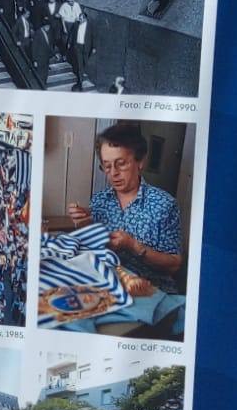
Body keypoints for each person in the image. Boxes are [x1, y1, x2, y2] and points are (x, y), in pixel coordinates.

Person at [66, 120, 186, 292]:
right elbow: (94, 252)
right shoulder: (99, 201)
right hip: (107, 284)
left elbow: (174, 265)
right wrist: (85, 227)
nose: (113, 173)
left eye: (121, 163)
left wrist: (133, 246)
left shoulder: (164, 205)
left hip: (150, 290)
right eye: (107, 166)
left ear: (140, 161)